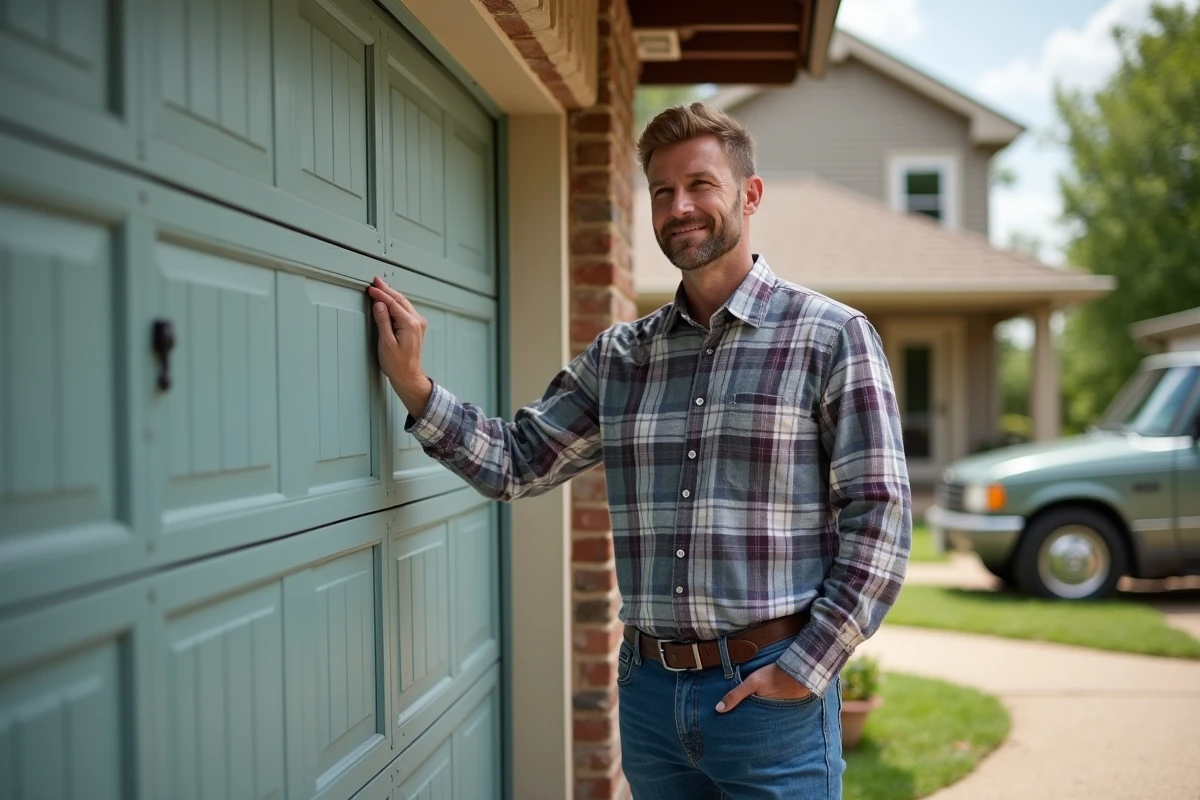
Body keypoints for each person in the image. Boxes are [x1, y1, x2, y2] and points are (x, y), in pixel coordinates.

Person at [368, 102, 911, 800]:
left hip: (774, 696)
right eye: (662, 192)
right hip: (651, 698)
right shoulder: (622, 357)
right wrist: (413, 385)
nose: (679, 207)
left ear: (750, 194)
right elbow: (515, 461)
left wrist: (808, 665)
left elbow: (882, 517)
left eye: (700, 185)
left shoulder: (830, 336)